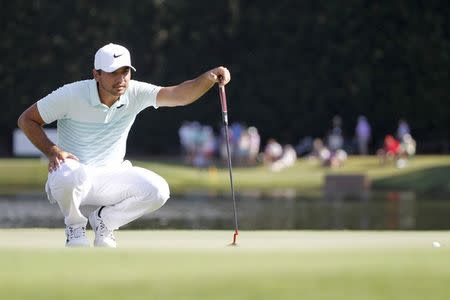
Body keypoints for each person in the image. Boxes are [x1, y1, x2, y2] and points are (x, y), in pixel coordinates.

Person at [17, 43, 231, 248]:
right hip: (73, 175)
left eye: (125, 72)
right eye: (113, 72)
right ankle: (75, 227)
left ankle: (105, 222)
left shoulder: (135, 92)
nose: (121, 79)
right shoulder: (71, 94)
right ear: (96, 74)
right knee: (67, 174)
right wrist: (52, 150)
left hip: (112, 177)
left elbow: (179, 95)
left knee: (158, 190)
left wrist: (208, 78)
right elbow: (27, 120)